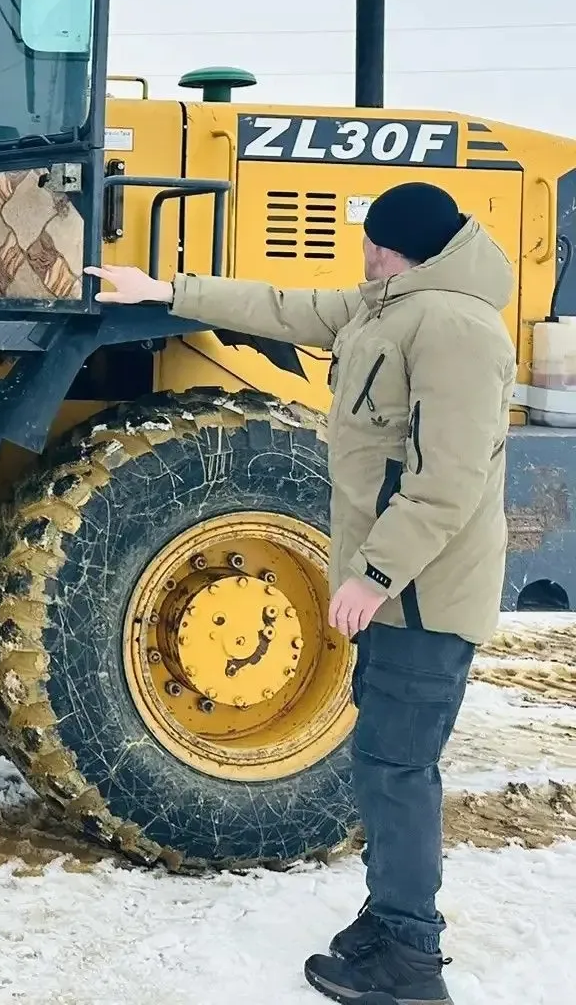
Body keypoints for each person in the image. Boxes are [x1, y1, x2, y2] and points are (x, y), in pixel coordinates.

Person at [90, 181, 514, 1005]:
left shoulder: (454, 328)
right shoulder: (390, 305)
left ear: (393, 247)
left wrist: (374, 575)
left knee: (398, 767)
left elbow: (448, 481)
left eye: (371, 242)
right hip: (397, 590)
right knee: (380, 758)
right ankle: (389, 915)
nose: (361, 255)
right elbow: (286, 307)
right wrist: (166, 290)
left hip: (422, 595)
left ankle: (411, 962)